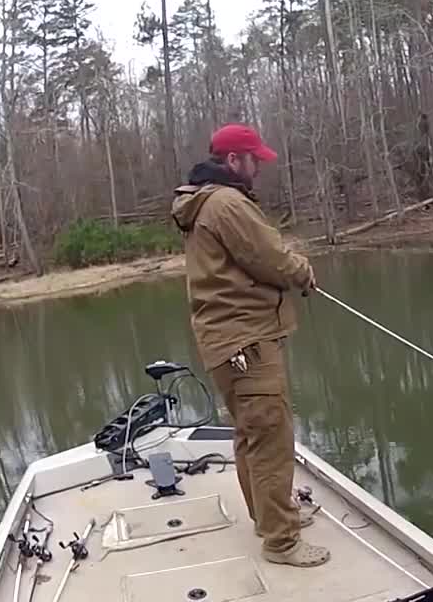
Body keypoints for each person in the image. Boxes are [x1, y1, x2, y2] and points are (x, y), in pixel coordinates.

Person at [171, 123, 331, 568]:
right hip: (247, 340)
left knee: (250, 434)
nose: (258, 166)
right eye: (253, 159)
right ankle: (282, 541)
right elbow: (270, 258)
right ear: (233, 160)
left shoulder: (204, 201)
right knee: (271, 439)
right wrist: (302, 272)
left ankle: (269, 520)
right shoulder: (226, 203)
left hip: (227, 342)